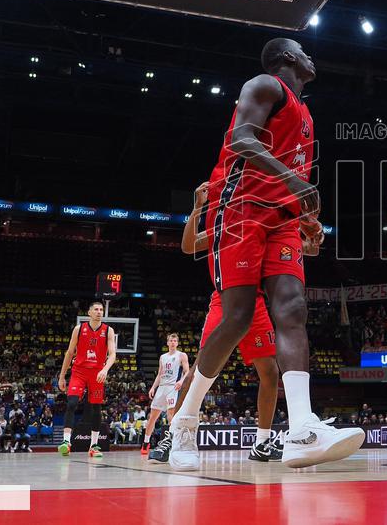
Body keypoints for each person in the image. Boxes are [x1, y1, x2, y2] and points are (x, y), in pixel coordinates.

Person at [165, 38, 363, 472]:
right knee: (235, 318)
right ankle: (185, 420)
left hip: (281, 219)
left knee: (293, 307)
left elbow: (293, 179)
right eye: (304, 50)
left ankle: (301, 429)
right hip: (237, 209)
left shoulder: (306, 112)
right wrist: (293, 183)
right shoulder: (264, 85)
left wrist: (303, 214)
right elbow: (239, 140)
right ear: (288, 57)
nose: (312, 55)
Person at [57, 301, 116, 458]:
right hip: (79, 372)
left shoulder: (108, 331)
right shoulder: (79, 328)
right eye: (96, 309)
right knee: (72, 403)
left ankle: (94, 446)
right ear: (89, 312)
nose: (99, 312)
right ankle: (66, 442)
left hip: (97, 373)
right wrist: (62, 376)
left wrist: (104, 369)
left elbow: (113, 355)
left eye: (101, 309)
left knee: (96, 408)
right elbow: (69, 353)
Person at [142, 333, 190, 455]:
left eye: (175, 341)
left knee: (170, 415)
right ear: (167, 343)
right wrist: (153, 387)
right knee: (152, 417)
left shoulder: (181, 355)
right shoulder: (163, 357)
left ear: (177, 343)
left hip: (172, 387)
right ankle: (146, 443)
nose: (173, 342)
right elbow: (159, 374)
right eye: (171, 340)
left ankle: (171, 443)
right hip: (161, 388)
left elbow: (187, 371)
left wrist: (181, 381)